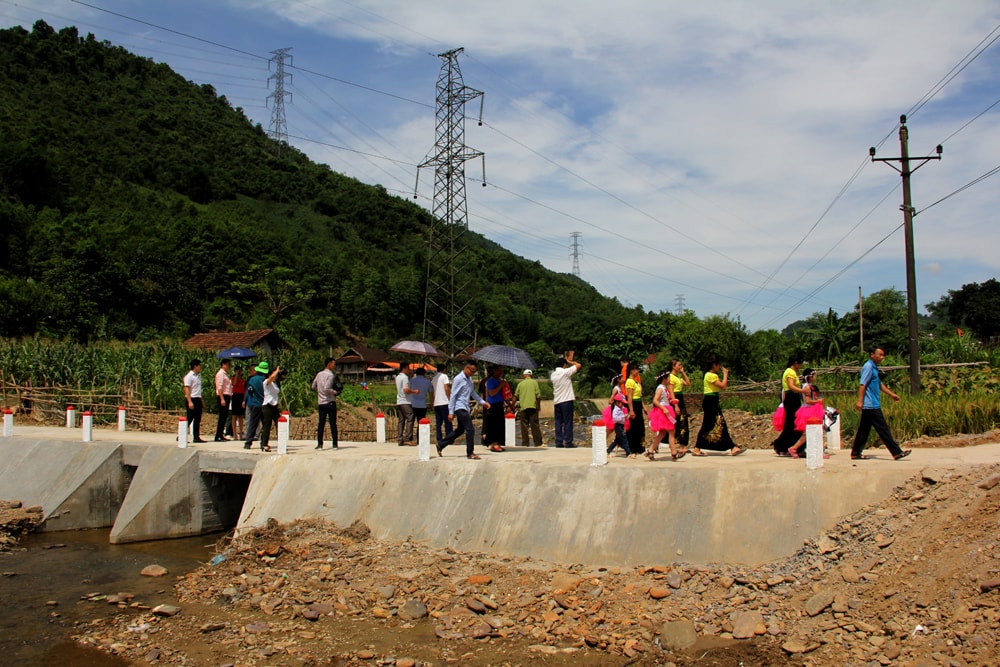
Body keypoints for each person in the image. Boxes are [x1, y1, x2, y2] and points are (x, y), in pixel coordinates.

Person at [852, 346, 911, 461]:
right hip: (870, 405)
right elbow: (862, 385)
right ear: (872, 355)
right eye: (879, 354)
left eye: (883, 355)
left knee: (864, 430)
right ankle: (896, 452)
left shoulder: (874, 368)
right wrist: (860, 401)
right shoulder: (868, 367)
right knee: (883, 428)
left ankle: (855, 452)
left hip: (872, 403)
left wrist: (891, 394)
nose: (881, 357)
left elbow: (879, 384)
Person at [436, 362, 490, 459]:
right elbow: (453, 395)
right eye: (472, 371)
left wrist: (483, 402)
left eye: (474, 372)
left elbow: (472, 392)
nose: (472, 373)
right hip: (459, 407)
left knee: (460, 430)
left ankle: (441, 444)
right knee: (470, 429)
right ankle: (470, 453)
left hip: (465, 407)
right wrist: (451, 412)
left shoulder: (469, 380)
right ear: (466, 368)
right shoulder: (458, 379)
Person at [694, 355, 745, 456]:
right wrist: (725, 375)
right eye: (718, 365)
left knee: (716, 424)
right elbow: (723, 386)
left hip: (712, 400)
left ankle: (731, 446)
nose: (719, 367)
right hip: (710, 401)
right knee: (712, 424)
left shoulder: (709, 375)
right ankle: (731, 447)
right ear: (714, 365)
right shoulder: (711, 375)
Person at [787, 368, 829, 459]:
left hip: (809, 409)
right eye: (814, 375)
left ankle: (799, 448)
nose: (815, 377)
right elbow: (808, 400)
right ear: (810, 376)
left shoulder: (807, 385)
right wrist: (818, 401)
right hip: (810, 410)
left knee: (812, 432)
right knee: (813, 431)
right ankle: (795, 448)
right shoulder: (807, 387)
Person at [771, 355, 806, 456]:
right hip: (792, 398)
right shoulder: (790, 372)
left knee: (792, 424)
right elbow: (791, 386)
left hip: (793, 398)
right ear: (795, 363)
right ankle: (781, 445)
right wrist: (803, 391)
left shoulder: (791, 372)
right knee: (792, 424)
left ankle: (788, 445)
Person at [647, 371, 683, 461]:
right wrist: (664, 409)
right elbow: (655, 400)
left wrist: (673, 402)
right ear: (664, 379)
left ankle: (651, 450)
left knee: (663, 433)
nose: (670, 380)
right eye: (668, 378)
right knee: (671, 431)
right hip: (663, 411)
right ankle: (674, 453)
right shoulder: (661, 388)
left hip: (665, 410)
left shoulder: (664, 388)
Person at [551, 351, 581, 448]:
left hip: (557, 401)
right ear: (564, 365)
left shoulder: (553, 375)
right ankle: (568, 441)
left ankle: (559, 441)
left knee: (558, 422)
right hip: (566, 400)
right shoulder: (565, 372)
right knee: (568, 421)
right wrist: (570, 361)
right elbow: (579, 365)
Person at [312, 357, 339, 450]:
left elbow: (313, 386)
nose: (334, 366)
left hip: (321, 402)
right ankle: (335, 444)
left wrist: (320, 392)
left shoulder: (319, 374)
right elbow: (327, 388)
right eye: (334, 364)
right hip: (330, 401)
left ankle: (320, 444)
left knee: (321, 424)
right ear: (329, 364)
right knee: (332, 423)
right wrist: (335, 392)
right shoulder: (330, 375)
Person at [668, 360, 694, 455]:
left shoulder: (678, 378)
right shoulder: (670, 377)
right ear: (673, 366)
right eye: (679, 365)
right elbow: (671, 392)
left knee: (683, 422)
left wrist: (683, 372)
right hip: (675, 400)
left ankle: (683, 445)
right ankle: (677, 444)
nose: (680, 366)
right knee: (677, 423)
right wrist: (675, 405)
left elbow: (688, 383)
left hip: (680, 399)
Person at [514, 369, 544, 447]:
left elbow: (515, 396)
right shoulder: (534, 383)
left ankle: (525, 443)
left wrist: (511, 406)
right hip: (533, 407)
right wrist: (539, 406)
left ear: (524, 375)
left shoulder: (520, 384)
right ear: (531, 375)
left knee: (524, 426)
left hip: (523, 407)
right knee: (535, 425)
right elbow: (538, 396)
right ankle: (538, 443)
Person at [259, 365, 285, 453]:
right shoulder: (266, 382)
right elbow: (271, 378)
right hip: (267, 406)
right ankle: (264, 444)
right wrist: (277, 370)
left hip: (274, 405)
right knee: (267, 425)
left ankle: (281, 442)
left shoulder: (275, 384)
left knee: (279, 423)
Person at [243, 362, 267, 450]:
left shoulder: (252, 380)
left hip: (254, 403)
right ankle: (263, 442)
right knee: (265, 424)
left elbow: (249, 391)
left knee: (252, 423)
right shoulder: (266, 380)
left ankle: (248, 442)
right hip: (264, 404)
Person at [624, 363, 646, 459]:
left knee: (639, 427)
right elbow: (629, 396)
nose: (637, 372)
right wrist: (631, 410)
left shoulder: (636, 382)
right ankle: (632, 448)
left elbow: (639, 396)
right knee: (633, 428)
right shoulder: (630, 382)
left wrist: (643, 406)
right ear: (632, 371)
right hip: (633, 404)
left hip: (638, 404)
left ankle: (639, 447)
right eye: (636, 370)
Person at [483, 365, 507, 452]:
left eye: (501, 371)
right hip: (492, 405)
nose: (500, 373)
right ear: (494, 371)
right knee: (493, 425)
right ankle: (494, 443)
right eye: (499, 371)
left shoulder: (500, 381)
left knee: (500, 425)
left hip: (500, 404)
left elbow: (505, 394)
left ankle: (498, 442)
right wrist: (500, 386)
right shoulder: (490, 381)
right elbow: (491, 393)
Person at [183, 359, 206, 443]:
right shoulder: (189, 376)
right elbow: (187, 389)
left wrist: (201, 400)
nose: (200, 367)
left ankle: (196, 436)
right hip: (192, 398)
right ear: (195, 366)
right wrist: (189, 401)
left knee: (197, 418)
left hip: (197, 398)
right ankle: (181, 435)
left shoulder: (198, 376)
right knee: (189, 418)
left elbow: (198, 390)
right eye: (199, 365)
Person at [395, 364, 418, 446]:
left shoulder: (398, 377)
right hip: (406, 401)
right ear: (404, 368)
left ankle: (400, 439)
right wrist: (414, 391)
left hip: (399, 400)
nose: (409, 369)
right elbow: (406, 390)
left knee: (401, 420)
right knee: (410, 417)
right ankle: (407, 438)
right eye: (408, 368)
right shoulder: (404, 377)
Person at [214, 359, 233, 442]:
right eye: (228, 364)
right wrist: (222, 398)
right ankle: (218, 435)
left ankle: (221, 434)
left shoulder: (225, 374)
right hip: (223, 396)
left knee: (225, 416)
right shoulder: (220, 374)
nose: (229, 366)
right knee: (222, 416)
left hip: (227, 396)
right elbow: (219, 387)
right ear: (223, 364)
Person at [432, 369, 453, 444]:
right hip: (444, 401)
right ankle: (449, 438)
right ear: (444, 369)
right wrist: (450, 397)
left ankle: (439, 439)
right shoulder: (444, 376)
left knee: (438, 422)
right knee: (448, 421)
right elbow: (446, 388)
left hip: (437, 402)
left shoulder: (434, 378)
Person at [607, 390, 630, 458]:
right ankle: (628, 452)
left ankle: (609, 450)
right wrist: (623, 417)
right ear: (617, 402)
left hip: (621, 425)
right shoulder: (616, 410)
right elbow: (615, 418)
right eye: (621, 403)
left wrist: (627, 416)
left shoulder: (620, 409)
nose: (623, 404)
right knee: (624, 438)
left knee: (617, 440)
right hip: (618, 426)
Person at [230, 366, 246, 440]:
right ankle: (234, 433)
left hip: (241, 396)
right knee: (234, 416)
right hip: (235, 396)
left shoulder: (243, 380)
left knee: (241, 416)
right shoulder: (233, 378)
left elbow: (245, 390)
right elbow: (234, 384)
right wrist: (236, 375)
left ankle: (241, 432)